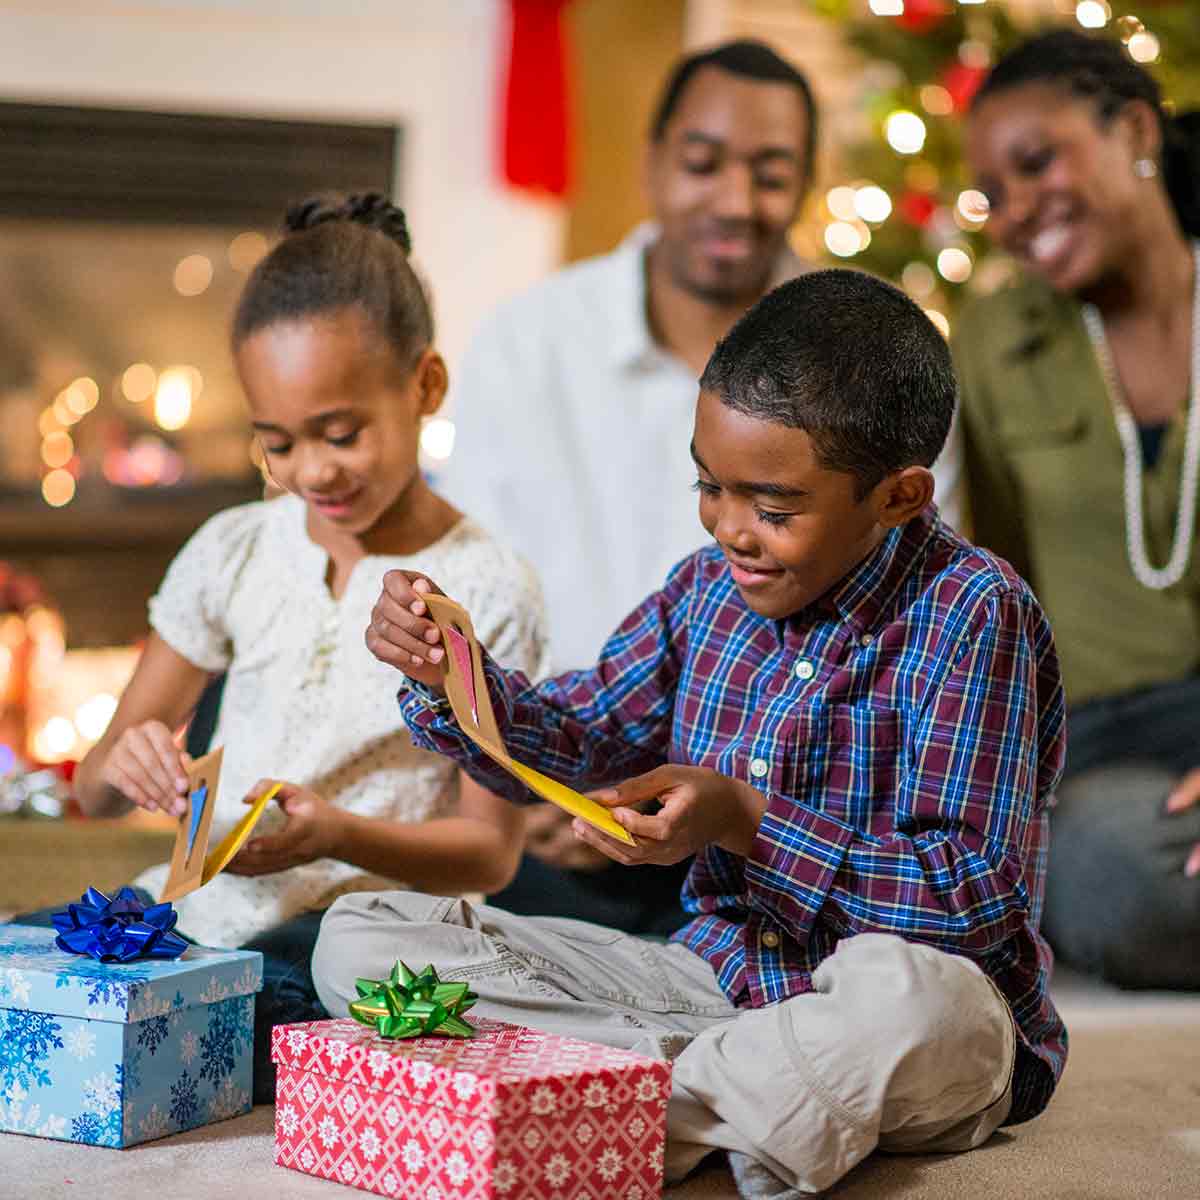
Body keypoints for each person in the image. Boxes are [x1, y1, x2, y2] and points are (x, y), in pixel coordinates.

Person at [314, 269, 1067, 1197]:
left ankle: (588, 1109)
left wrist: (746, 822)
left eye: (774, 509)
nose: (730, 529)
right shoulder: (704, 591)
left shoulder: (972, 612)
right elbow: (576, 734)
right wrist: (449, 673)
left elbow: (970, 905)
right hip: (702, 996)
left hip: (899, 1015)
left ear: (899, 497)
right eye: (709, 486)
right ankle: (719, 1108)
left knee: (925, 1005)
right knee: (361, 938)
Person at [448, 38, 963, 937]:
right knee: (394, 923)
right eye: (703, 163)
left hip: (786, 819)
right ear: (652, 163)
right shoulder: (526, 344)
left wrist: (728, 803)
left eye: (771, 173)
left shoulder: (882, 358)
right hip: (560, 790)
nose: (735, 201)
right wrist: (530, 783)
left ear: (806, 183)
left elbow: (912, 614)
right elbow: (477, 582)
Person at [64, 194, 546, 1102]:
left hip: (368, 939)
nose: (312, 472)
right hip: (203, 913)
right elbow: (90, 786)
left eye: (340, 433)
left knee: (235, 1021)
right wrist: (125, 761)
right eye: (276, 442)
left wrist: (339, 836)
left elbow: (490, 858)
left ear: (425, 387)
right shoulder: (237, 549)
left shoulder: (487, 586)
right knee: (47, 967)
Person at [959, 29, 1200, 990]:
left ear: (1134, 128)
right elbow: (992, 577)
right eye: (996, 196)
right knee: (1104, 871)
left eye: (1037, 164)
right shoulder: (992, 342)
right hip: (1099, 748)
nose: (1018, 214)